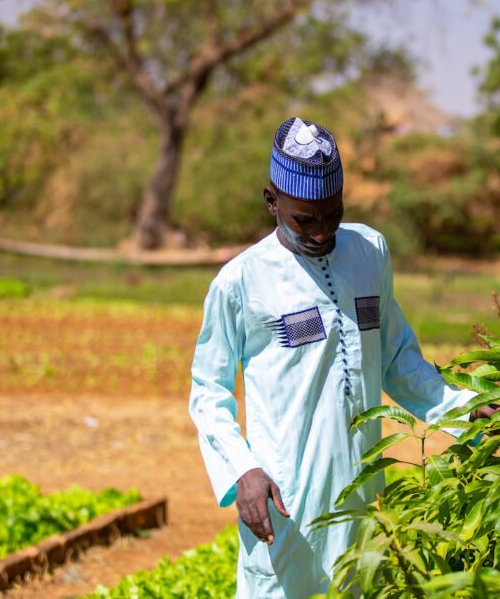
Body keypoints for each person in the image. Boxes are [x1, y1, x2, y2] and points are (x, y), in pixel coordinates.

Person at [189, 116, 484, 597]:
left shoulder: (369, 252)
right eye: (305, 220)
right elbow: (208, 391)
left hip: (364, 492)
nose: (322, 233)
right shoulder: (241, 281)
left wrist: (470, 412)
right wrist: (242, 470)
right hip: (286, 498)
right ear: (272, 201)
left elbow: (397, 360)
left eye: (333, 215)